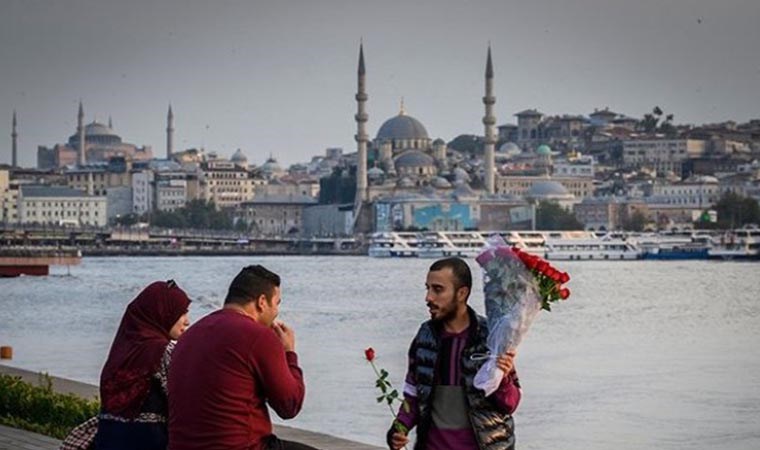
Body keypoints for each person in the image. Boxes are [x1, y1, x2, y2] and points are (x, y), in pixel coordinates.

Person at [167, 265, 316, 450]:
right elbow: (289, 405)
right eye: (277, 303)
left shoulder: (191, 334)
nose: (276, 311)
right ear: (262, 302)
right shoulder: (258, 335)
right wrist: (289, 352)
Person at [388, 257, 522, 450]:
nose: (428, 297)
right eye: (427, 288)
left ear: (461, 293)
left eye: (437, 289)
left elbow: (510, 404)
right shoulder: (425, 336)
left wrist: (502, 377)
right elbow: (413, 394)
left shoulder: (492, 336)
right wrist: (399, 429)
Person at [92, 280, 191, 450]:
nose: (187, 321)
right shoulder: (165, 351)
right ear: (163, 314)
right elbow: (184, 403)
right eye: (181, 313)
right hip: (150, 441)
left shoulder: (122, 350)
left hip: (109, 440)